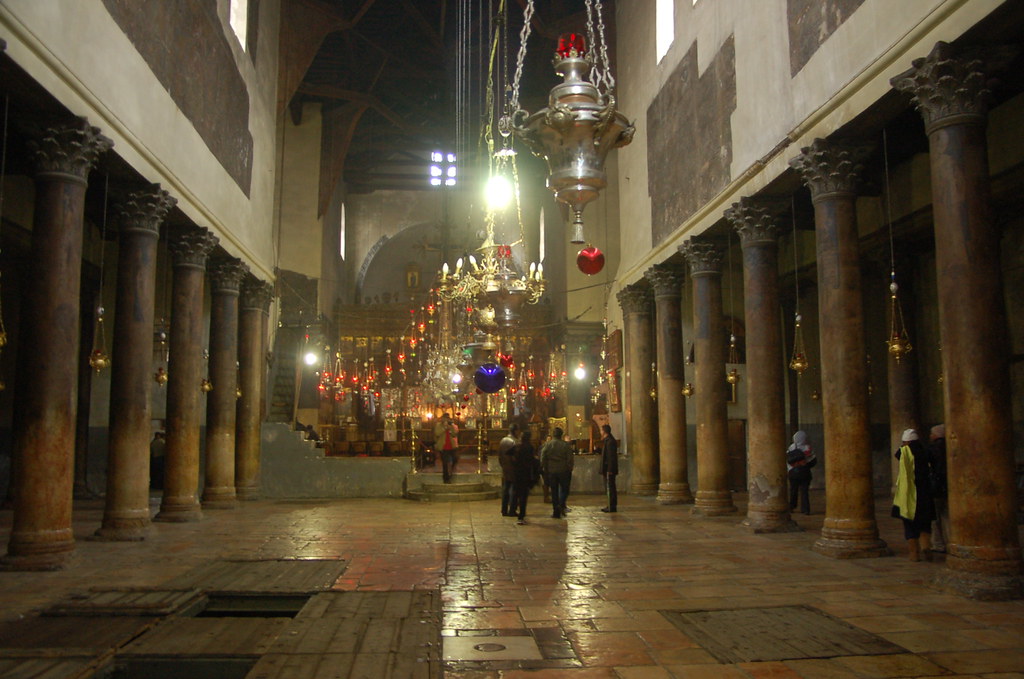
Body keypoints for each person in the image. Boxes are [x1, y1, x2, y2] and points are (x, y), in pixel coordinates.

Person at [892, 428, 936, 562]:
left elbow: (898, 453)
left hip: (909, 492)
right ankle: (926, 546)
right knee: (925, 522)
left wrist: (904, 445)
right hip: (924, 492)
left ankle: (914, 553)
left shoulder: (904, 451)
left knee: (909, 523)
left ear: (906, 441)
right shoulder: (925, 451)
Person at [539, 427, 574, 518]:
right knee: (565, 489)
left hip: (551, 471)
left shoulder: (547, 445)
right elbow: (570, 458)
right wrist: (569, 467)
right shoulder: (565, 445)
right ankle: (561, 503)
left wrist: (543, 468)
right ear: (561, 435)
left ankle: (556, 511)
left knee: (554, 491)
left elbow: (543, 457)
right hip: (563, 470)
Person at [928, 424, 948, 553]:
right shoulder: (951, 447)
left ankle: (938, 543)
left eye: (932, 433)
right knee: (948, 516)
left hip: (936, 487)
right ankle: (952, 541)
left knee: (935, 517)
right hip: (949, 486)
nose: (930, 435)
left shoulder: (933, 449)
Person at [786, 430, 816, 515]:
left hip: (793, 472)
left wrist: (791, 468)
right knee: (804, 491)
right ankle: (805, 509)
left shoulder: (791, 447)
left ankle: (791, 507)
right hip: (804, 472)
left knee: (793, 490)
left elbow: (788, 459)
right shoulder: (807, 448)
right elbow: (813, 461)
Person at [512, 431, 538, 525]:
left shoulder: (517, 446)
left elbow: (509, 455)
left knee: (516, 493)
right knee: (523, 496)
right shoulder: (530, 447)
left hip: (516, 473)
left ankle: (513, 510)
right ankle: (521, 515)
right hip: (525, 473)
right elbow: (531, 460)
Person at [498, 424, 521, 516]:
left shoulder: (503, 440)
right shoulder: (514, 442)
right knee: (514, 491)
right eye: (518, 430)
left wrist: (503, 466)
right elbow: (516, 457)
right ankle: (512, 510)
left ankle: (504, 510)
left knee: (505, 489)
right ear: (515, 431)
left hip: (505, 468)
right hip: (514, 469)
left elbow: (499, 455)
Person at [434, 413, 459, 484]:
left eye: (448, 418)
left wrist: (451, 427)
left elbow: (454, 434)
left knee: (455, 459)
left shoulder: (451, 425)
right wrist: (444, 428)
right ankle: (446, 478)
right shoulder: (439, 425)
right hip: (443, 447)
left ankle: (451, 471)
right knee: (445, 463)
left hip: (452, 446)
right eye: (445, 418)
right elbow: (437, 433)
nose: (446, 420)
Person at [600, 424, 619, 513]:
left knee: (610, 487)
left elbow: (611, 457)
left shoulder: (610, 441)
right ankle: (610, 504)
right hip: (607, 468)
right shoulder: (607, 440)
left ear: (604, 431)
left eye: (601, 430)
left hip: (609, 469)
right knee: (609, 487)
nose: (601, 432)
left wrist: (610, 469)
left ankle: (611, 506)